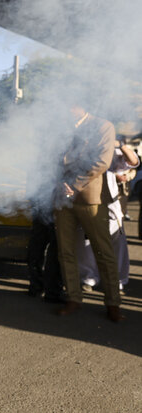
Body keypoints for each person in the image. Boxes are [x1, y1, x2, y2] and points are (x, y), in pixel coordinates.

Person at [53, 104, 123, 322]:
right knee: (65, 251)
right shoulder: (59, 127)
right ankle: (73, 298)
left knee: (103, 251)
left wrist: (73, 184)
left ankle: (113, 303)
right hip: (61, 198)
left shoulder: (103, 126)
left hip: (89, 198)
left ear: (82, 105)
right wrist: (57, 184)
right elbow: (49, 160)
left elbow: (101, 163)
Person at [77, 140, 140, 293]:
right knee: (86, 242)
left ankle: (116, 281)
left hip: (109, 204)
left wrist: (121, 144)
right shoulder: (79, 146)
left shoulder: (110, 147)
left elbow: (133, 162)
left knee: (116, 242)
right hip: (84, 201)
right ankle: (89, 278)